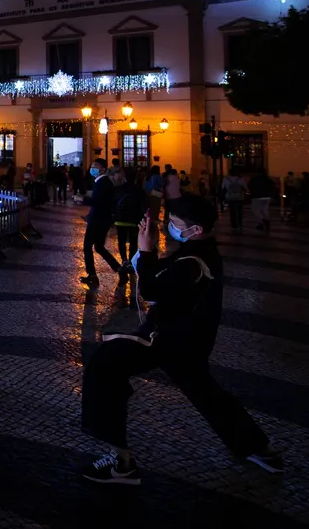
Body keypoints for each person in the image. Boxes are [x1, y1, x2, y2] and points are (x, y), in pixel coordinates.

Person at [80, 195, 283, 484]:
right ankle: (257, 447)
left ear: (196, 229)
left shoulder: (194, 260)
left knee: (104, 365)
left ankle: (120, 463)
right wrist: (149, 248)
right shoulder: (201, 251)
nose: (170, 228)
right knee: (204, 389)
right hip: (190, 341)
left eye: (175, 224)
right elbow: (168, 273)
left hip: (168, 339)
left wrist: (146, 252)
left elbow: (152, 289)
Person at [81, 159, 122, 287]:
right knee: (99, 247)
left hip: (98, 220)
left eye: (96, 167)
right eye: (92, 166)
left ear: (103, 169)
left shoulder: (102, 183)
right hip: (102, 219)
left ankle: (92, 275)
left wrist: (83, 199)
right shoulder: (103, 182)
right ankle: (120, 269)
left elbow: (98, 202)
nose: (92, 168)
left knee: (87, 246)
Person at [113, 168, 144, 287]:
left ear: (125, 177)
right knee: (133, 241)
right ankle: (131, 261)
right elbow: (143, 205)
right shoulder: (139, 190)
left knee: (121, 240)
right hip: (134, 220)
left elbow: (113, 203)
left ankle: (124, 260)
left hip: (120, 220)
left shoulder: (119, 189)